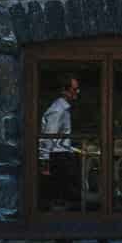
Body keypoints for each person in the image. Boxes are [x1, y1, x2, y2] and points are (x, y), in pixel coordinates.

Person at [38, 74, 81, 210]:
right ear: (64, 90)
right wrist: (45, 162)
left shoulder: (64, 109)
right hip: (58, 158)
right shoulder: (58, 110)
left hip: (62, 155)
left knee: (65, 198)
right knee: (59, 199)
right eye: (75, 89)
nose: (77, 92)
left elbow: (61, 137)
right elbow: (49, 136)